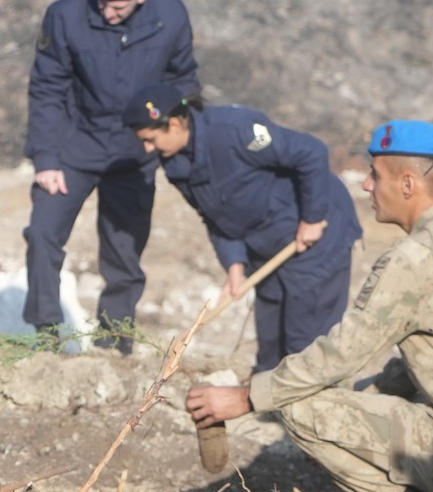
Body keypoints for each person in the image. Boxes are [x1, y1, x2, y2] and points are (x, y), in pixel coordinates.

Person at [186, 121, 433, 492]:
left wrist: (246, 397)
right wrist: (375, 389)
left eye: (375, 175)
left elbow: (339, 354)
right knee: (383, 391)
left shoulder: (414, 258)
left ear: (407, 185)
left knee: (298, 405)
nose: (367, 185)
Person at [23, 0, 198, 342]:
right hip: (73, 148)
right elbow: (47, 88)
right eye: (101, 3)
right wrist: (46, 158)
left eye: (117, 6)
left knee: (124, 255)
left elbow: (185, 81)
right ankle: (46, 335)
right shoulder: (65, 15)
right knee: (42, 234)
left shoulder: (170, 15)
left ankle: (114, 340)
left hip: (136, 153)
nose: (106, 12)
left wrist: (165, 137)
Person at [132, 86, 360, 371]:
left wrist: (312, 219)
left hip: (317, 234)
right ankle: (264, 407)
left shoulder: (238, 130)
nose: (147, 149)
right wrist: (235, 265)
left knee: (306, 339)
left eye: (151, 139)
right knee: (271, 340)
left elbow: (310, 152)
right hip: (266, 246)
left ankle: (310, 410)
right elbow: (213, 215)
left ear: (175, 124)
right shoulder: (176, 163)